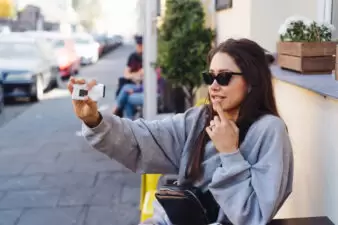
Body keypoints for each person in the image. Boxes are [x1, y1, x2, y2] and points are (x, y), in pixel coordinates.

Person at [68, 38, 294, 225]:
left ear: (252, 81)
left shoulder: (269, 131)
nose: (213, 86)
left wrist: (230, 154)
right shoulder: (199, 119)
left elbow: (254, 216)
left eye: (223, 77)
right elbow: (142, 138)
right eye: (210, 76)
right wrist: (95, 120)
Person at [113, 35, 144, 115]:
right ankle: (130, 122)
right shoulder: (133, 56)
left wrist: (137, 75)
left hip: (141, 87)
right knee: (126, 91)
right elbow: (126, 74)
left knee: (126, 92)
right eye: (138, 45)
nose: (139, 47)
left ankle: (117, 109)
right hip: (133, 84)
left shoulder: (148, 57)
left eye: (141, 45)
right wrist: (136, 75)